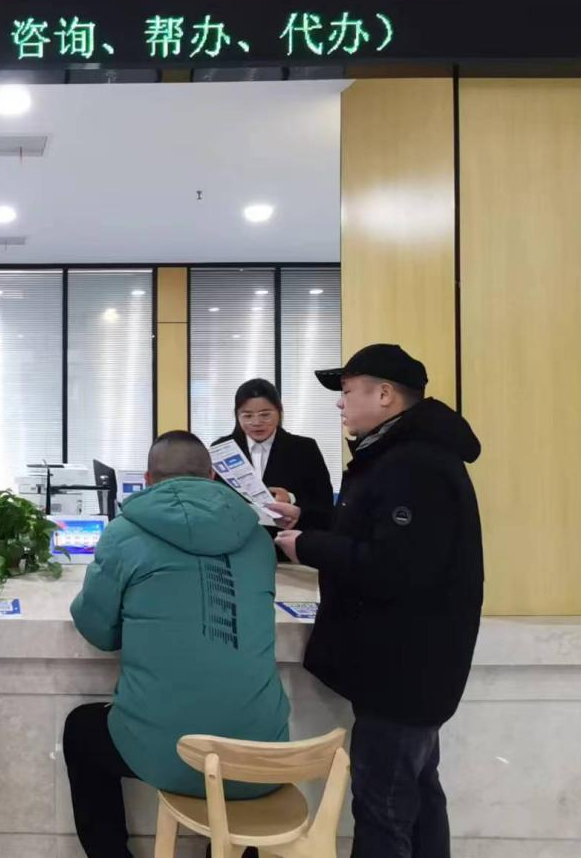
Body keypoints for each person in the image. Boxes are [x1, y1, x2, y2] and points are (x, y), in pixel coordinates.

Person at [272, 344, 483, 858]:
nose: (339, 403)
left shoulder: (414, 465)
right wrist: (308, 522)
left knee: (384, 809)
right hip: (408, 667)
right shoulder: (397, 455)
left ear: (385, 394)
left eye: (347, 391)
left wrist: (309, 547)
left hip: (404, 670)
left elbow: (395, 567)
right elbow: (374, 533)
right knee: (418, 798)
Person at [64, 430, 290, 858]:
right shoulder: (258, 538)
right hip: (260, 756)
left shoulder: (124, 534)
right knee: (239, 752)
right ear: (212, 476)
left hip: (168, 753)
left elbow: (98, 631)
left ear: (148, 480)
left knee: (81, 731)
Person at [214, 378, 336, 557]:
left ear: (279, 411)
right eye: (247, 415)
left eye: (265, 414)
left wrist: (291, 499)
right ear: (237, 415)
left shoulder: (304, 448)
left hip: (287, 550)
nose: (256, 422)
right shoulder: (223, 449)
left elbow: (323, 506)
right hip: (236, 549)